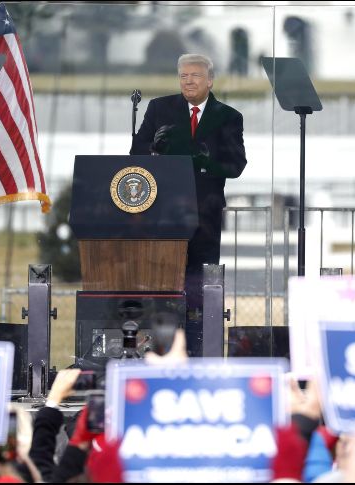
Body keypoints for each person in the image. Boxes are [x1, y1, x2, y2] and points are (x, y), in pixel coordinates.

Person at [130, 53, 248, 345]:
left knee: (200, 285)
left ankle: (199, 344)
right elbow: (135, 154)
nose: (188, 81)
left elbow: (236, 165)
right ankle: (161, 343)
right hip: (163, 213)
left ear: (210, 80)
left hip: (204, 217)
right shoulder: (159, 108)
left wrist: (206, 164)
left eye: (195, 75)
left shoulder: (228, 116)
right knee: (163, 282)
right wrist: (155, 152)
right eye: (183, 75)